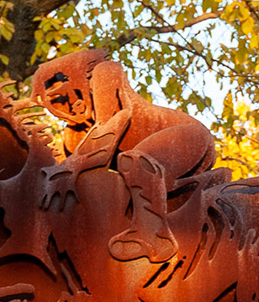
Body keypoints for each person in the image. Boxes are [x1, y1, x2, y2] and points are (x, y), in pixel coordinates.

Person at [31, 49, 218, 263]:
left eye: (63, 98)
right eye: (55, 105)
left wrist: (68, 168)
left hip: (187, 138)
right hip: (153, 168)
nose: (67, 108)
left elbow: (110, 126)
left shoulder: (105, 72)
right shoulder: (74, 134)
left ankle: (153, 237)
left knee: (133, 160)